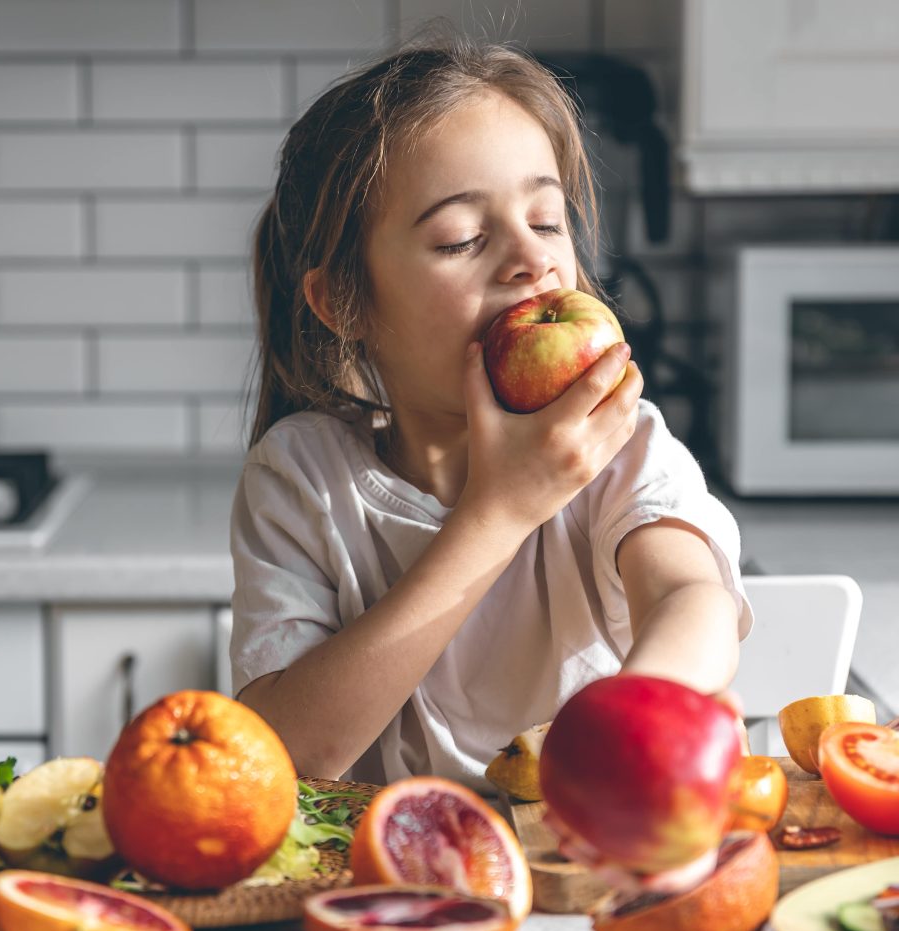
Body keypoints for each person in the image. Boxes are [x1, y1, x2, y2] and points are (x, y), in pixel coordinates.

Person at [230, 38, 751, 823]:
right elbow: (289, 756)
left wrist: (635, 722)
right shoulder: (300, 478)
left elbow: (691, 598)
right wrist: (498, 512)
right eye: (462, 240)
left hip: (581, 868)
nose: (530, 260)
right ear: (344, 301)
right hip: (383, 894)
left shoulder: (617, 445)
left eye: (547, 220)